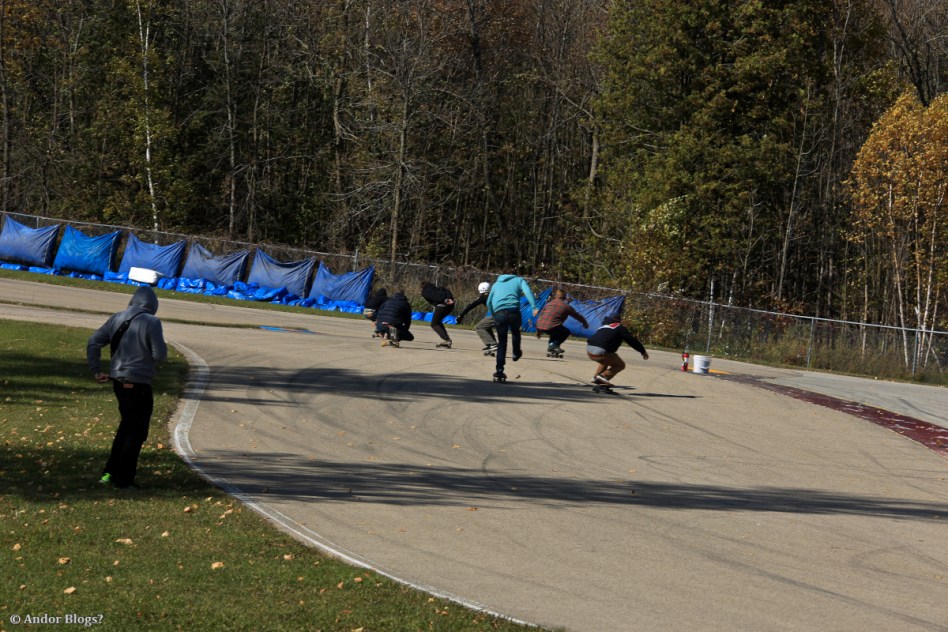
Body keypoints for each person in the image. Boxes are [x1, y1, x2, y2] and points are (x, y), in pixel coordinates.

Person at [86, 286, 168, 489]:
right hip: (138, 383)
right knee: (136, 432)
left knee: (126, 427)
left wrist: (96, 370)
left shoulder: (116, 318)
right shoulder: (152, 322)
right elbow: (160, 355)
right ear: (153, 305)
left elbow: (93, 342)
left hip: (118, 382)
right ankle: (124, 480)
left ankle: (109, 474)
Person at [486, 272, 538, 381]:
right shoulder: (519, 280)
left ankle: (499, 370)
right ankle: (516, 353)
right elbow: (528, 291)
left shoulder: (496, 284)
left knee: (502, 342)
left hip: (499, 313)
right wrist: (534, 307)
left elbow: (488, 302)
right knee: (515, 332)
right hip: (513, 311)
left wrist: (494, 314)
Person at [586, 314, 648, 389]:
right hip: (601, 353)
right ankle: (603, 377)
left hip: (589, 351)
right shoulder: (620, 327)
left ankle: (596, 377)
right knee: (620, 365)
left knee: (607, 360)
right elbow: (631, 340)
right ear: (618, 321)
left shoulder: (603, 327)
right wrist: (642, 351)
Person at [535, 289, 589, 357]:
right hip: (551, 326)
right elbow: (577, 316)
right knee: (565, 332)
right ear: (565, 297)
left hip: (540, 325)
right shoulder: (566, 307)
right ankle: (554, 345)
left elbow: (541, 316)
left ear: (555, 296)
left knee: (555, 331)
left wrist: (538, 330)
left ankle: (551, 346)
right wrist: (585, 323)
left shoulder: (549, 304)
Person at [457, 281, 497, 354]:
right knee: (486, 326)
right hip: (507, 313)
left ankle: (492, 344)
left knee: (479, 327)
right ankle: (491, 344)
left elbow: (471, 305)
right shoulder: (494, 294)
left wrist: (461, 315)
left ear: (480, 289)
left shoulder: (483, 297)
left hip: (498, 315)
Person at [420, 281, 455, 348]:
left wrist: (445, 300)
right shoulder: (439, 289)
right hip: (451, 306)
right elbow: (447, 291)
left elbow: (435, 297)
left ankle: (447, 340)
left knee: (434, 324)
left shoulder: (425, 292)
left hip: (442, 306)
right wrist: (449, 298)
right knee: (438, 322)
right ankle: (446, 339)